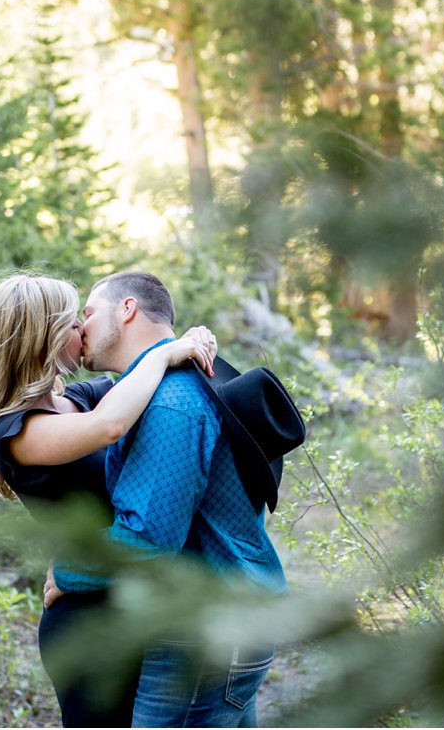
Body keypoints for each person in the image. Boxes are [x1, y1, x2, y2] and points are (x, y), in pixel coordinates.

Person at [0, 273, 218, 727]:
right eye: (72, 323)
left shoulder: (75, 399)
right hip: (85, 627)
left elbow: (138, 372)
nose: (83, 331)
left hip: (128, 609)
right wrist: (167, 351)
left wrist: (188, 339)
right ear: (40, 337)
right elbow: (111, 426)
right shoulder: (11, 431)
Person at [47, 271, 288, 728]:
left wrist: (67, 571)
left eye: (89, 313)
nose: (81, 328)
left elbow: (148, 538)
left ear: (127, 308)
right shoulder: (173, 383)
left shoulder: (170, 402)